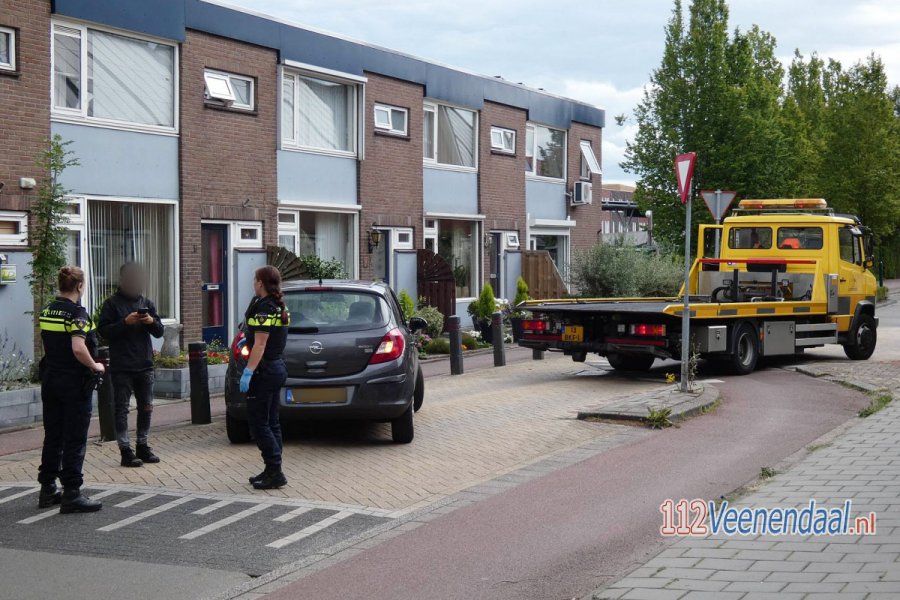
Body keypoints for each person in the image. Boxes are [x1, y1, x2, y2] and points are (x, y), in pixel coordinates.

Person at [36, 266, 105, 513]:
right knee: (75, 438)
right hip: (74, 383)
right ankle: (72, 494)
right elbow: (78, 347)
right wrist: (95, 365)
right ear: (79, 286)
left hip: (51, 380)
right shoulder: (78, 314)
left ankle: (47, 489)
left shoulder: (47, 310)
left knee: (53, 435)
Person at [98, 263, 165, 468]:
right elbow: (104, 332)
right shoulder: (112, 304)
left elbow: (159, 331)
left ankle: (143, 445)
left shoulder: (147, 303)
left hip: (144, 364)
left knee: (146, 407)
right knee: (122, 409)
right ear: (124, 280)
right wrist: (124, 323)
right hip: (122, 366)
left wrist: (150, 321)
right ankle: (125, 450)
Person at [240, 266, 290, 490]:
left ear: (260, 282)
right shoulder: (278, 306)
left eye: (254, 279)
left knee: (259, 423)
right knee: (272, 422)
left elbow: (260, 344)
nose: (253, 283)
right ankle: (272, 469)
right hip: (276, 368)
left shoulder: (265, 308)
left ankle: (275, 471)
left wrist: (248, 371)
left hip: (265, 371)